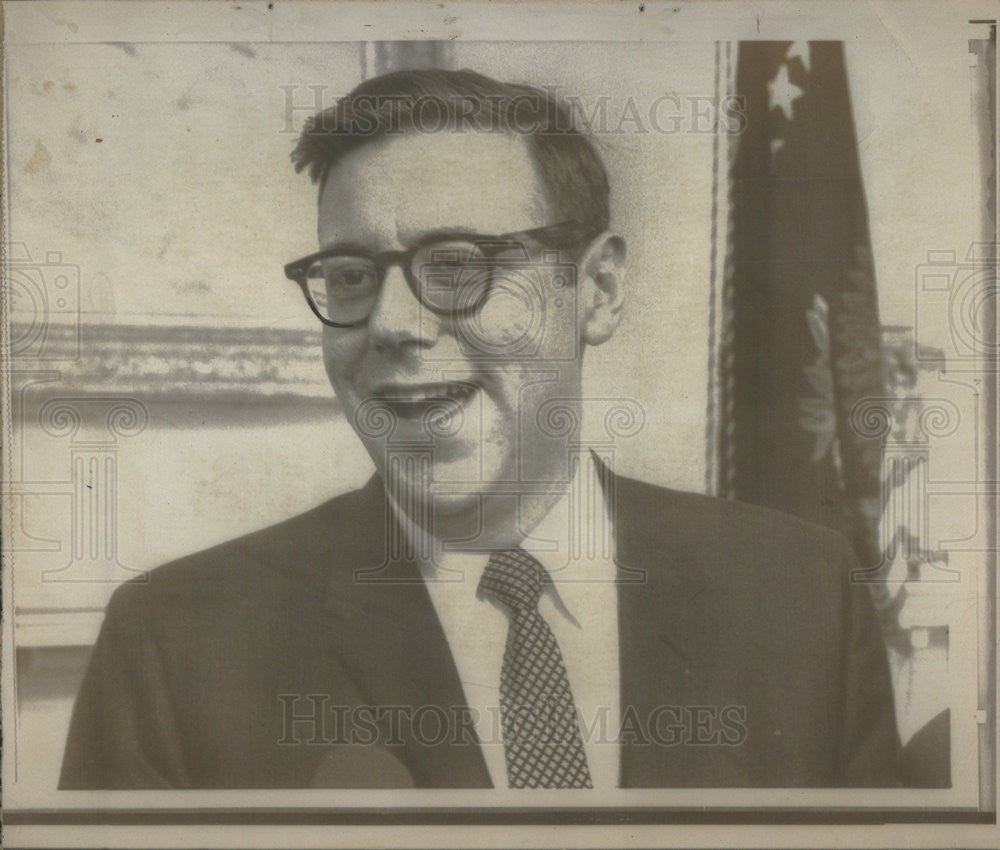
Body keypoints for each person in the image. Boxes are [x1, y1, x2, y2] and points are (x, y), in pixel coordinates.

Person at [60, 68, 900, 790]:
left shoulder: (804, 595)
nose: (392, 324)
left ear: (598, 291)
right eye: (351, 276)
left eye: (458, 265)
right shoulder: (173, 644)